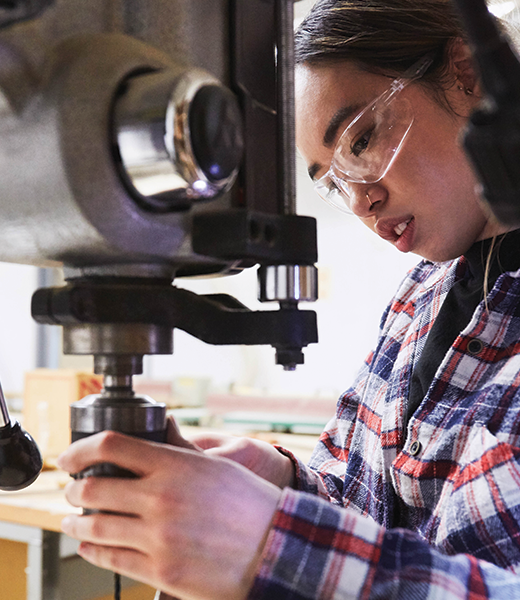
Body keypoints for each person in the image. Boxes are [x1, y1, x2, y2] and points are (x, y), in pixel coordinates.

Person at [56, 0, 520, 597]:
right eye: (331, 179)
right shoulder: (421, 297)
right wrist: (283, 485)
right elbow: (379, 506)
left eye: (360, 142)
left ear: (467, 73)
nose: (359, 202)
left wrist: (269, 547)